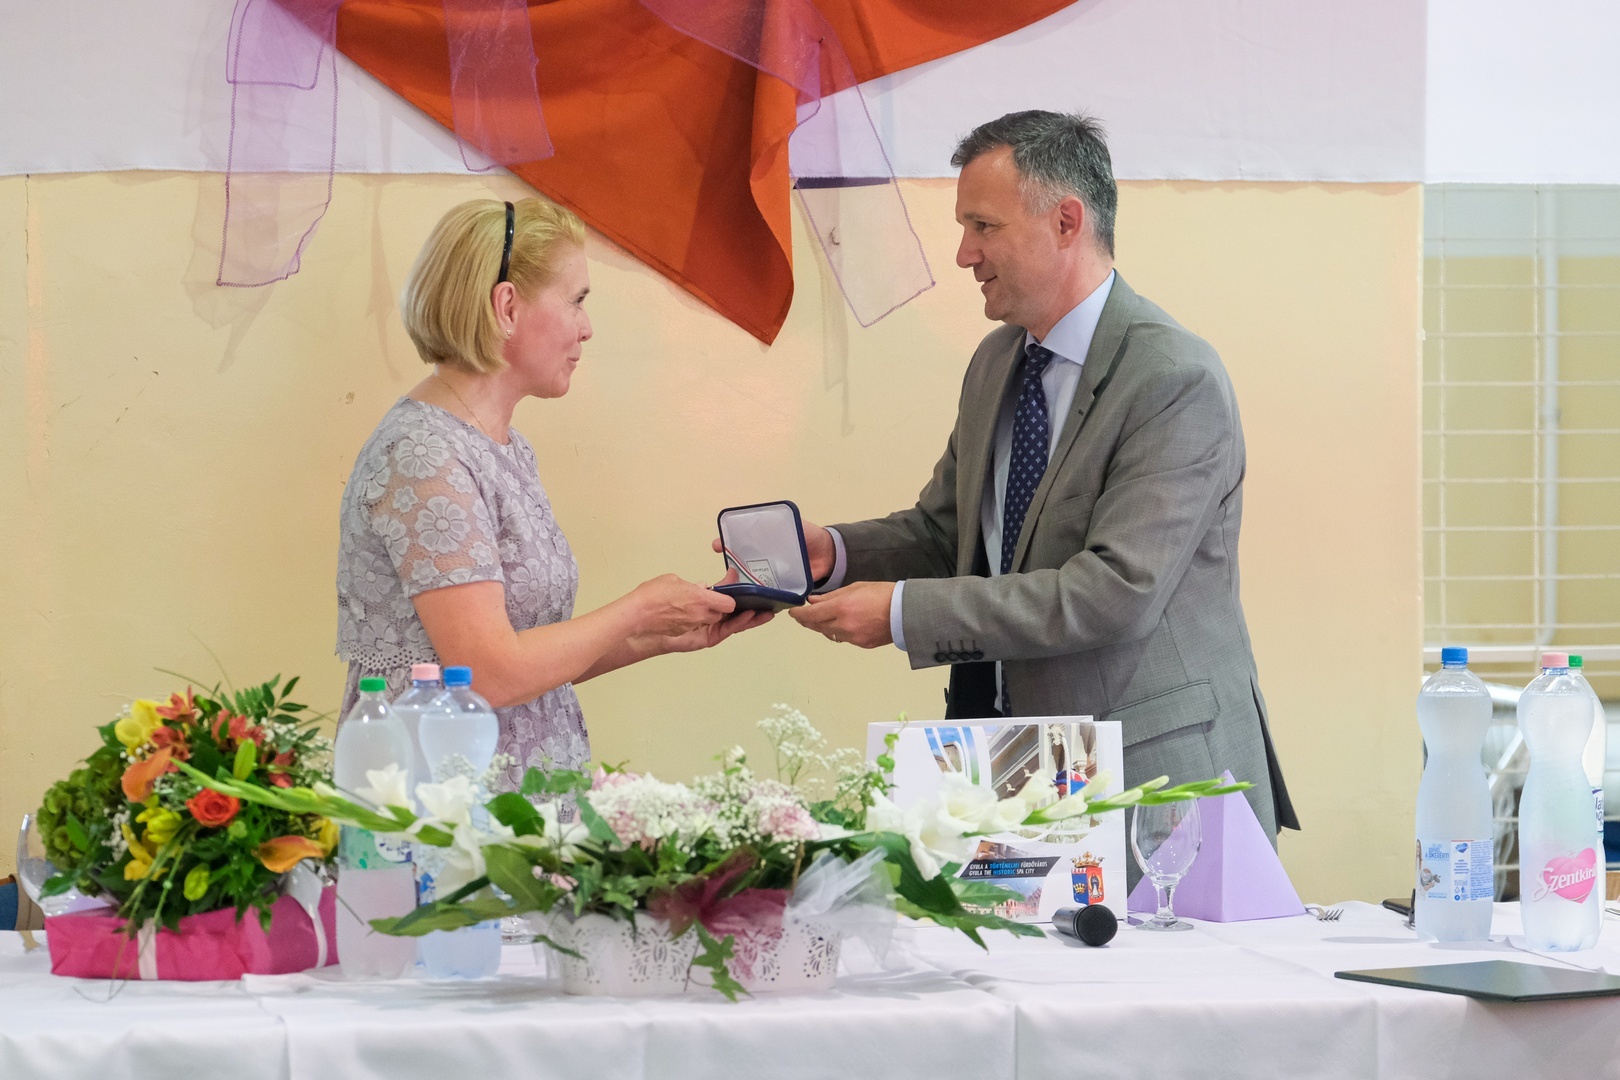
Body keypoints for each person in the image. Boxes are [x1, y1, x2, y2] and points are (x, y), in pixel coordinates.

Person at [784, 111, 1297, 840]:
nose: (963, 254)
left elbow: (1113, 593)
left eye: (983, 226)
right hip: (1005, 763)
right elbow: (950, 534)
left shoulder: (1173, 378)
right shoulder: (997, 362)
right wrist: (836, 554)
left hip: (1151, 785)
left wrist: (902, 614)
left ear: (1065, 222)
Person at [337, 198, 766, 792]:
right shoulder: (424, 456)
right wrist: (637, 609)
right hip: (446, 807)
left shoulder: (503, 446)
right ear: (507, 307)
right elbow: (487, 674)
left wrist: (656, 636)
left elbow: (527, 660)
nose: (587, 327)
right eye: (576, 300)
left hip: (521, 794)